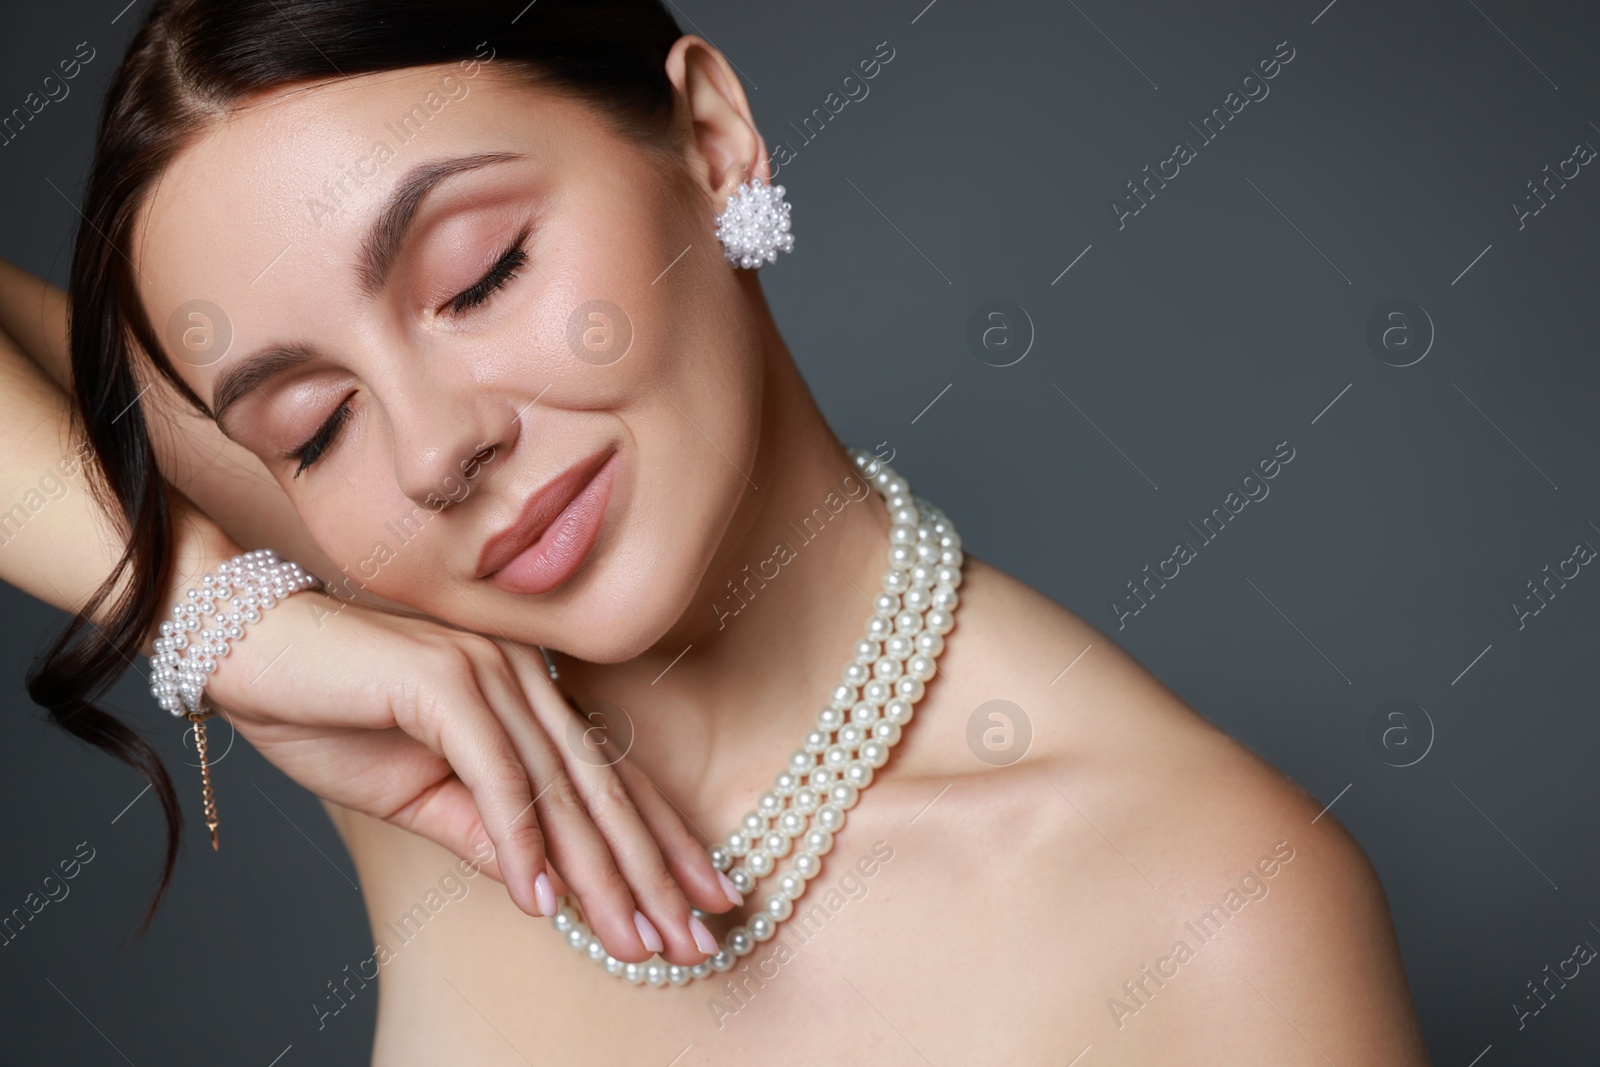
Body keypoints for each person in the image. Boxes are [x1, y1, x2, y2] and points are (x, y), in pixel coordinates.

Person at [0, 0, 1432, 1061]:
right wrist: (233, 627)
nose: (437, 448)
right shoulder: (400, 671)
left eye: (483, 272)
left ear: (711, 139)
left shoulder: (1216, 905)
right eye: (311, 426)